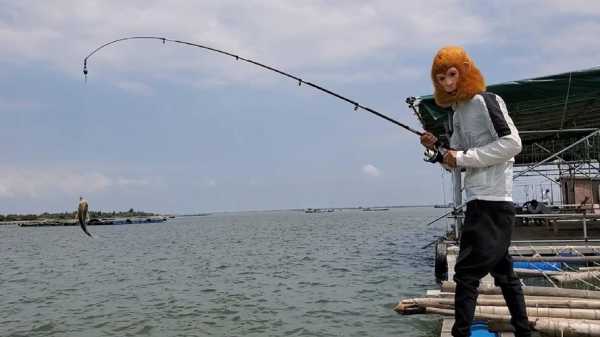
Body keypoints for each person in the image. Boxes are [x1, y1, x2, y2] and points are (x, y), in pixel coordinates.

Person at [420, 46, 530, 337]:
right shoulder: (456, 114)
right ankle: (523, 330)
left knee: (466, 274)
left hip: (492, 201)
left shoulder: (486, 100)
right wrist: (437, 150)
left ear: (465, 70)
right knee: (505, 275)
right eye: (441, 78)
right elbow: (453, 162)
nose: (447, 83)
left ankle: (461, 333)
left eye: (452, 75)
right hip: (478, 201)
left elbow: (512, 144)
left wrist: (463, 157)